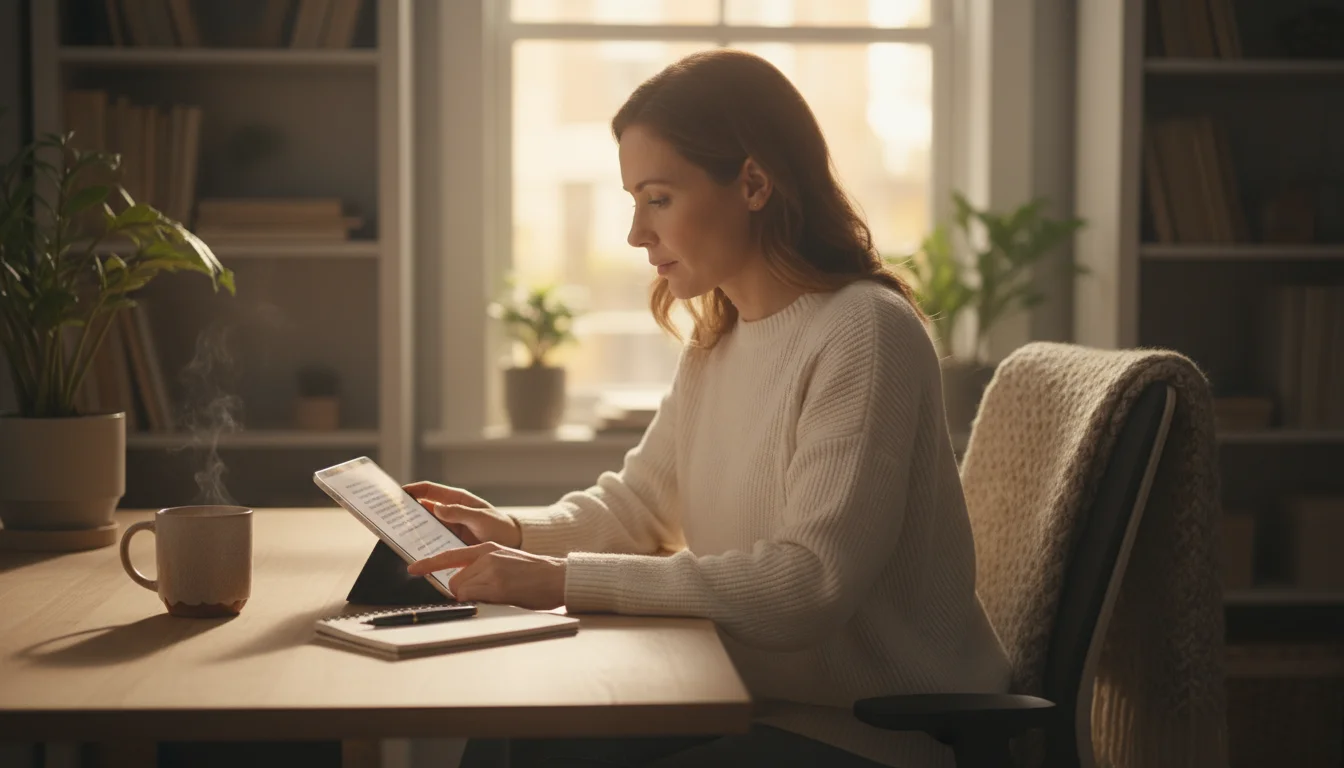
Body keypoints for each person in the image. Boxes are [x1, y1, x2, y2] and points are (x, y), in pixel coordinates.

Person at [402, 49, 1011, 768]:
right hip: (746, 703)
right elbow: (638, 508)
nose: (635, 233)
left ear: (753, 182)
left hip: (878, 734)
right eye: (634, 200)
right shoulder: (717, 339)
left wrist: (561, 581)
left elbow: (809, 582)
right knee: (514, 741)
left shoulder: (865, 332)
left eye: (657, 198)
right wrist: (509, 531)